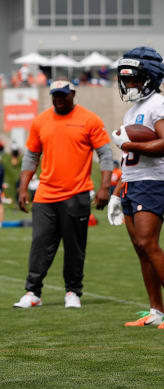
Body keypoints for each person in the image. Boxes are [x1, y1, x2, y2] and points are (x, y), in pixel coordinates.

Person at [14, 80, 112, 309]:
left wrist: (105, 186)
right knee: (40, 244)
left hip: (76, 194)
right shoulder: (40, 121)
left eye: (63, 94)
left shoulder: (90, 120)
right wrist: (22, 189)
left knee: (74, 246)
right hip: (45, 195)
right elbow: (31, 157)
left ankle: (73, 292)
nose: (59, 98)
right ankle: (33, 292)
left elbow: (105, 155)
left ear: (73, 94)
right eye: (55, 95)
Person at [107, 46, 164, 328]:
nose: (128, 84)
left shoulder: (158, 105)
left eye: (133, 78)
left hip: (153, 182)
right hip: (132, 183)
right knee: (140, 249)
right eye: (126, 79)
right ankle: (156, 310)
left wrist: (130, 143)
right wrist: (117, 192)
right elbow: (129, 160)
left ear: (149, 78)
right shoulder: (133, 112)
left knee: (147, 244)